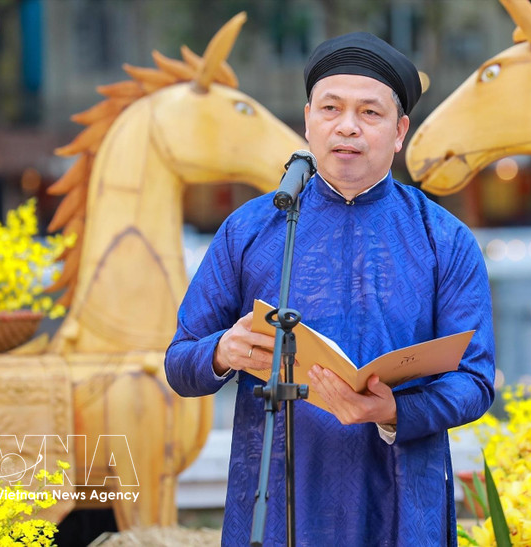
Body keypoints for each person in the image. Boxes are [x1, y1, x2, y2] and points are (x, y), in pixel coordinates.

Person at [165, 31, 496, 546]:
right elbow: (180, 363)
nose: (347, 126)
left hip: (401, 497)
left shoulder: (443, 239)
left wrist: (391, 411)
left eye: (370, 113)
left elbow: (475, 381)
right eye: (331, 108)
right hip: (276, 500)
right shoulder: (252, 228)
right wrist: (223, 352)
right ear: (308, 120)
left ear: (400, 130)